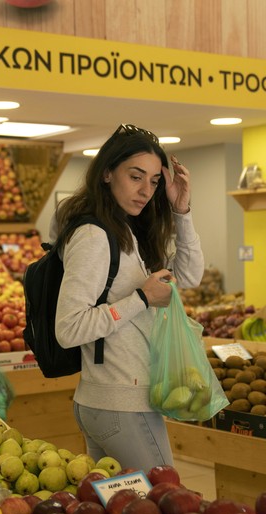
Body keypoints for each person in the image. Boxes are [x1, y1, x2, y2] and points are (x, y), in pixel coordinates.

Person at [52, 123, 205, 473]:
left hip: (116, 401)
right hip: (120, 403)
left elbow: (191, 277)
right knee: (165, 506)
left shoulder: (125, 232)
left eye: (153, 181)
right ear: (107, 173)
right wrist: (141, 297)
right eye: (136, 176)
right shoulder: (94, 236)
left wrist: (182, 211)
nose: (146, 190)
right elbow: (69, 327)